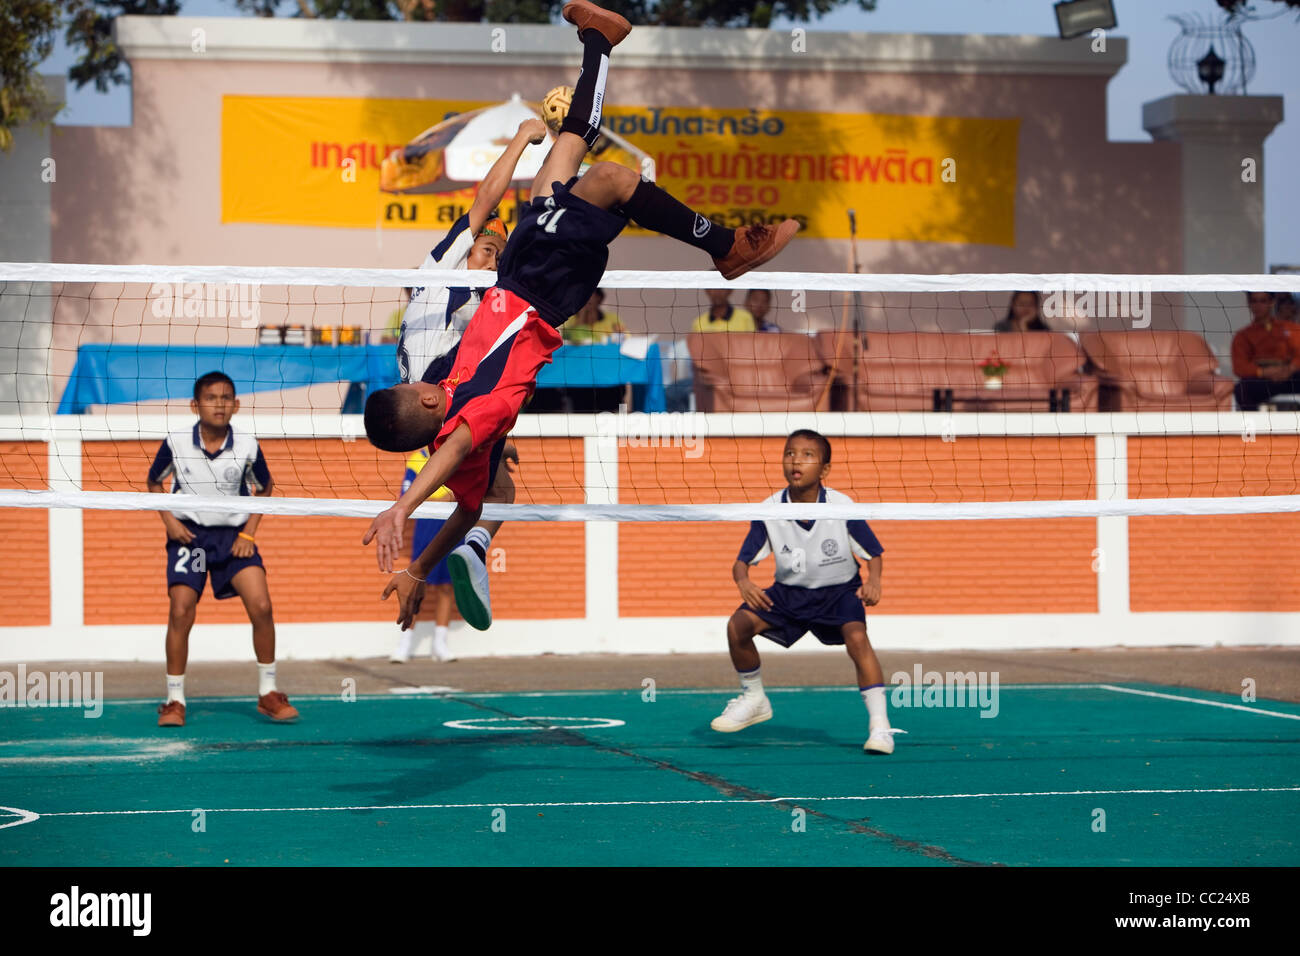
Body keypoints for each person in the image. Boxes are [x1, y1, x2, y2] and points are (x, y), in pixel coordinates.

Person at [361, 0, 800, 628]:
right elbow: (450, 456)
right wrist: (402, 510)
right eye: (413, 387)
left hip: (522, 276)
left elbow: (467, 504)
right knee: (614, 179)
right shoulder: (467, 414)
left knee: (562, 158)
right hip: (538, 289)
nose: (417, 380)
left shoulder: (450, 399)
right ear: (425, 401)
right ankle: (727, 247)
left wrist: (417, 567)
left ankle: (599, 42)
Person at [392, 119, 545, 631]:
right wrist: (521, 137)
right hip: (437, 404)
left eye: (495, 253)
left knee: (492, 495)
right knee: (488, 494)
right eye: (483, 249)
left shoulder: (482, 297)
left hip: (440, 411)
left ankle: (452, 558)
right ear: (464, 254)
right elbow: (485, 201)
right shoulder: (443, 281)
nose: (489, 257)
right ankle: (450, 550)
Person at [712, 429, 895, 755]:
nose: (796, 460)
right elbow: (742, 563)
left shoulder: (840, 506)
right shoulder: (770, 509)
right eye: (790, 453)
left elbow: (874, 553)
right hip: (789, 595)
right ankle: (754, 699)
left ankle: (880, 727)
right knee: (737, 626)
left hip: (839, 592)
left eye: (808, 455)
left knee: (857, 638)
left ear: (824, 469)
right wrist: (744, 583)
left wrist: (874, 580)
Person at [147, 371, 297, 727]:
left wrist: (249, 533)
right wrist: (169, 522)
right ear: (195, 404)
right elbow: (153, 482)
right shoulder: (176, 441)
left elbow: (266, 487)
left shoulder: (247, 444)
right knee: (181, 609)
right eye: (212, 398)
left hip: (234, 540)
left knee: (261, 605)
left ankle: (268, 693)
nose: (220, 404)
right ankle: (174, 700)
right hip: (192, 539)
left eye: (227, 397)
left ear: (237, 405)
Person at [390, 447, 457, 662]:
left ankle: (440, 644)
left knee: (447, 586)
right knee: (417, 584)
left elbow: (465, 493)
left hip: (453, 526)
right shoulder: (417, 460)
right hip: (425, 529)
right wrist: (442, 500)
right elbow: (406, 498)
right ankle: (405, 643)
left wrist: (452, 497)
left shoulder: (456, 454)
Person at [1231, 290, 1300, 411]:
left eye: (1263, 301)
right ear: (1249, 303)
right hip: (1262, 381)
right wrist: (1264, 372)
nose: (1258, 306)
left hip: (1290, 377)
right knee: (1241, 389)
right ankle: (1253, 426)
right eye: (1254, 301)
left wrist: (1288, 369)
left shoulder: (1290, 328)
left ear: (1272, 302)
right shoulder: (1242, 335)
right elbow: (1239, 367)